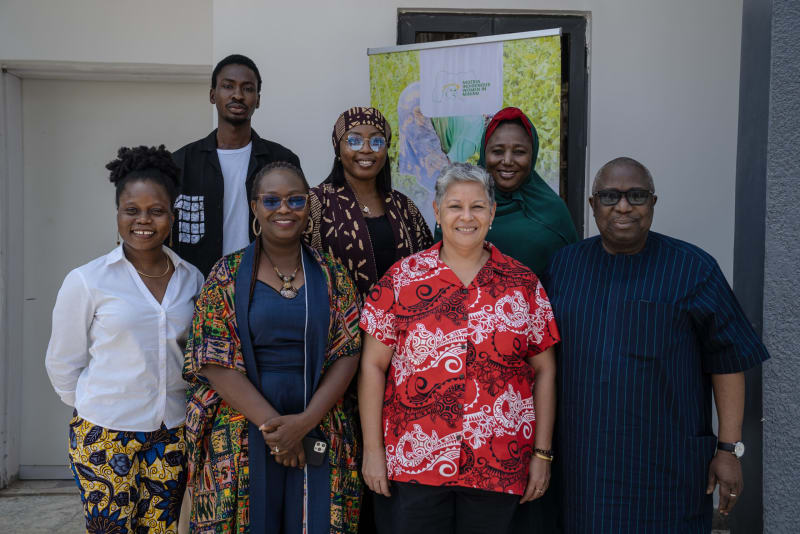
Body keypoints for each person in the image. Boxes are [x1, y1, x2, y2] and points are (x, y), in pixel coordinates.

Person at [543, 157, 770, 533]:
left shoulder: (694, 269)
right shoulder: (564, 267)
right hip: (584, 464)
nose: (623, 206)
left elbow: (729, 361)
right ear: (591, 205)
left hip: (667, 465)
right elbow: (542, 361)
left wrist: (728, 450)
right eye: (609, 196)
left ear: (653, 203)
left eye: (637, 196)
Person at [359, 162, 559, 534]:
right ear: (437, 211)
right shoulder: (402, 279)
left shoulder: (522, 284)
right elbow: (372, 366)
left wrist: (542, 454)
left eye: (478, 206)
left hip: (499, 464)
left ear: (492, 212)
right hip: (415, 462)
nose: (466, 217)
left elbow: (545, 369)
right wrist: (373, 451)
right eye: (455, 206)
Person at [183, 162, 362, 533]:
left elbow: (348, 351)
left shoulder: (332, 274)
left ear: (308, 205)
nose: (284, 209)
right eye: (272, 200)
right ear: (255, 207)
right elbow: (214, 361)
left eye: (296, 200)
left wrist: (305, 423)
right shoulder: (227, 274)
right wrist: (276, 430)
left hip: (319, 422)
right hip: (241, 424)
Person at [45, 145, 205, 533]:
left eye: (156, 210)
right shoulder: (87, 280)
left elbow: (194, 357)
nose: (143, 221)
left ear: (173, 213)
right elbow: (62, 363)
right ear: (118, 213)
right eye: (131, 210)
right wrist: (97, 406)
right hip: (104, 433)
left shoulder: (192, 278)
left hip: (172, 432)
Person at [172, 54, 301, 277]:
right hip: (197, 290)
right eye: (228, 86)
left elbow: (298, 223)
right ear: (213, 95)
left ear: (258, 100)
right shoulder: (181, 163)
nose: (238, 95)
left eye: (247, 88)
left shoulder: (281, 161)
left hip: (264, 285)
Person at [306, 106, 432, 303]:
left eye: (376, 141)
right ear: (338, 148)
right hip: (341, 329)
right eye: (354, 141)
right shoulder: (316, 203)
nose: (366, 149)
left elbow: (428, 266)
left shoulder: (404, 207)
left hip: (401, 327)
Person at [467, 106, 578, 277]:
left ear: (532, 156)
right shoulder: (461, 206)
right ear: (484, 153)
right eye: (497, 151)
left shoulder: (552, 212)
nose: (507, 160)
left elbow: (571, 279)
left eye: (519, 152)